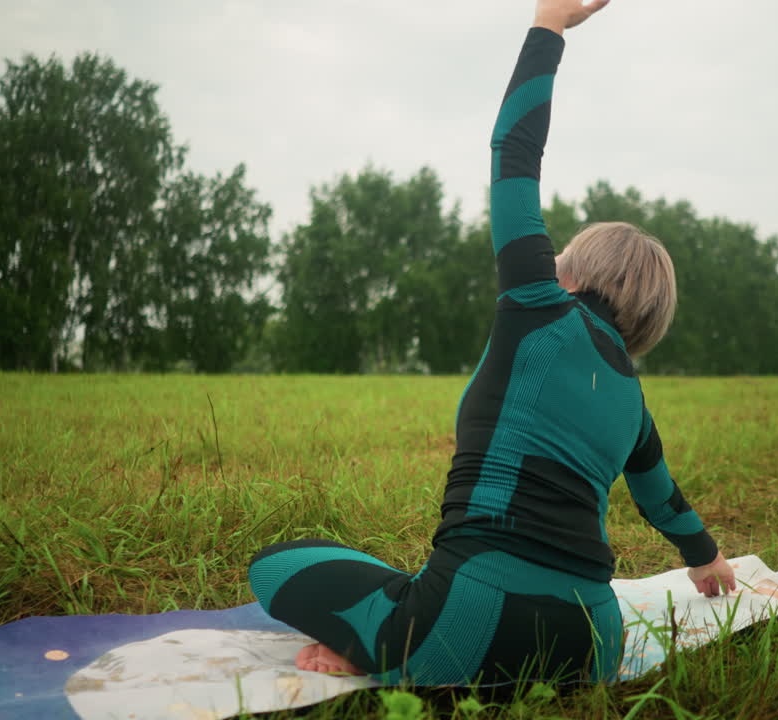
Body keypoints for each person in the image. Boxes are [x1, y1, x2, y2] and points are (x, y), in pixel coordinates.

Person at [248, 0, 736, 684]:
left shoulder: (538, 304)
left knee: (275, 565)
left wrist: (549, 24)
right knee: (435, 584)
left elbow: (515, 151)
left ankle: (382, 647)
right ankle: (407, 628)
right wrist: (707, 559)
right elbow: (664, 503)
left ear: (570, 273)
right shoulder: (633, 403)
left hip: (460, 628)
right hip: (591, 646)